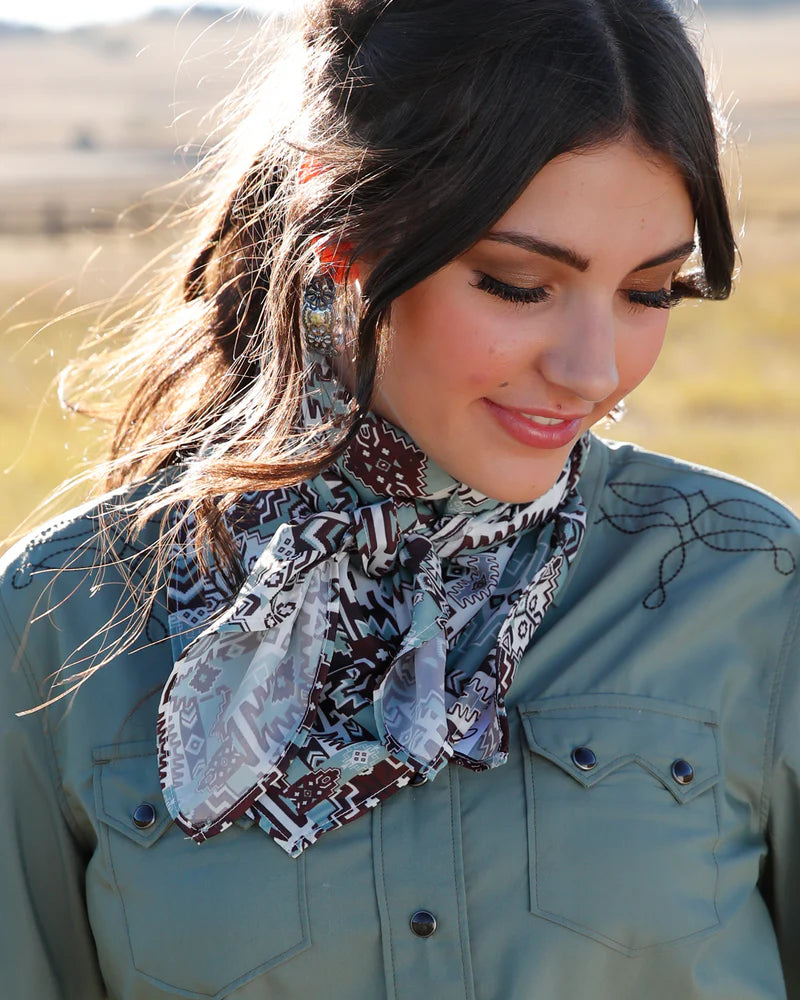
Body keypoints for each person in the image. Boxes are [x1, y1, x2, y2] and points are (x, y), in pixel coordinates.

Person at [1, 0, 798, 997]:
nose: (594, 370)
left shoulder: (753, 591)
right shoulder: (60, 624)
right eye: (517, 283)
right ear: (339, 233)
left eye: (649, 291)